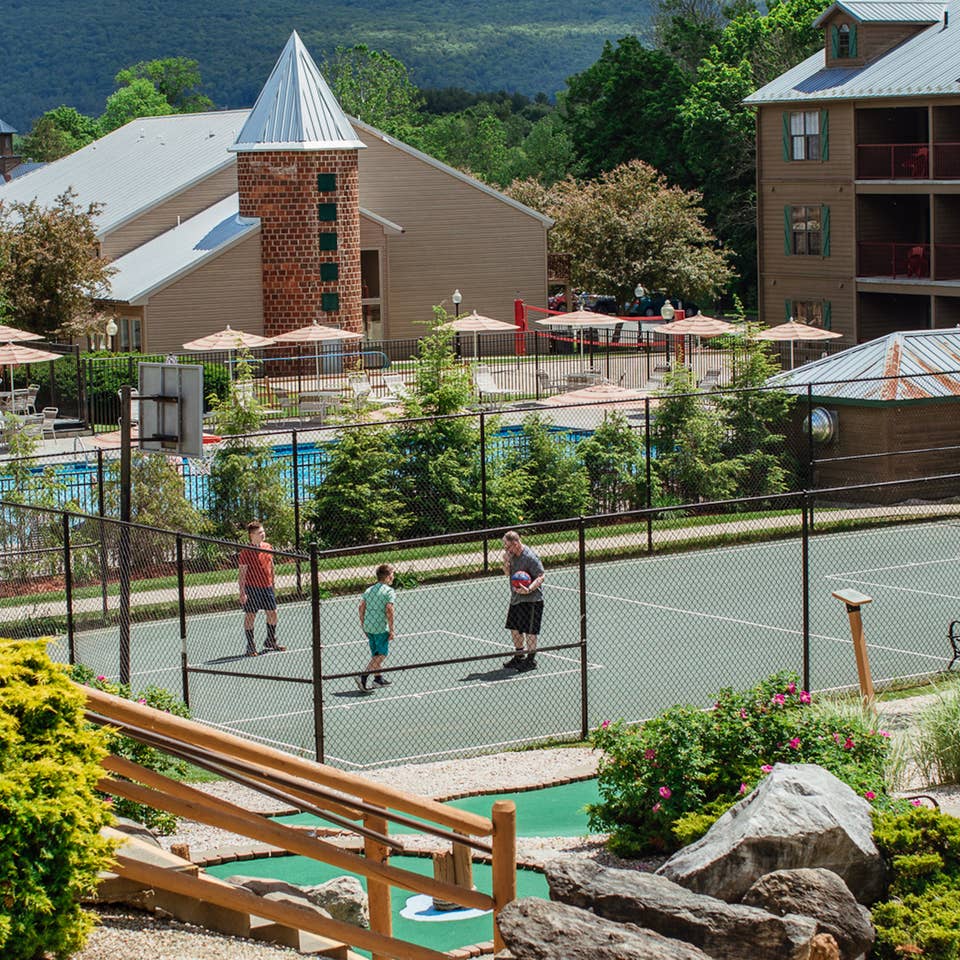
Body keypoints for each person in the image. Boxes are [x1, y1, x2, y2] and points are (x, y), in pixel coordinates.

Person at [238, 519, 285, 656]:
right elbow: (242, 573)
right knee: (250, 615)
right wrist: (242, 592)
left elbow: (271, 566)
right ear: (252, 535)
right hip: (252, 588)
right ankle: (251, 645)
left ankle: (270, 640)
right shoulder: (246, 552)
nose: (263, 534)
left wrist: (273, 583)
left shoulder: (268, 547)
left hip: (267, 587)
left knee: (272, 612)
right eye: (259, 532)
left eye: (263, 531)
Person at [502, 530, 545, 671]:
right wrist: (506, 563)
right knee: (514, 629)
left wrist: (529, 589)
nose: (506, 550)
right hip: (516, 598)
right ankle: (519, 655)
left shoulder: (530, 557)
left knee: (530, 630)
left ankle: (531, 660)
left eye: (507, 547)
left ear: (515, 543)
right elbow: (508, 574)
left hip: (532, 599)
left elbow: (541, 576)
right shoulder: (511, 556)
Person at [357, 563, 396, 690]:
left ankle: (378, 679)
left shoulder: (369, 590)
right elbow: (389, 609)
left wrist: (363, 624)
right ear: (388, 577)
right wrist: (391, 629)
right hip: (380, 627)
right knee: (382, 655)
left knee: (375, 654)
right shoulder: (389, 591)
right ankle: (363, 675)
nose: (393, 577)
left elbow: (361, 607)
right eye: (392, 574)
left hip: (369, 626)